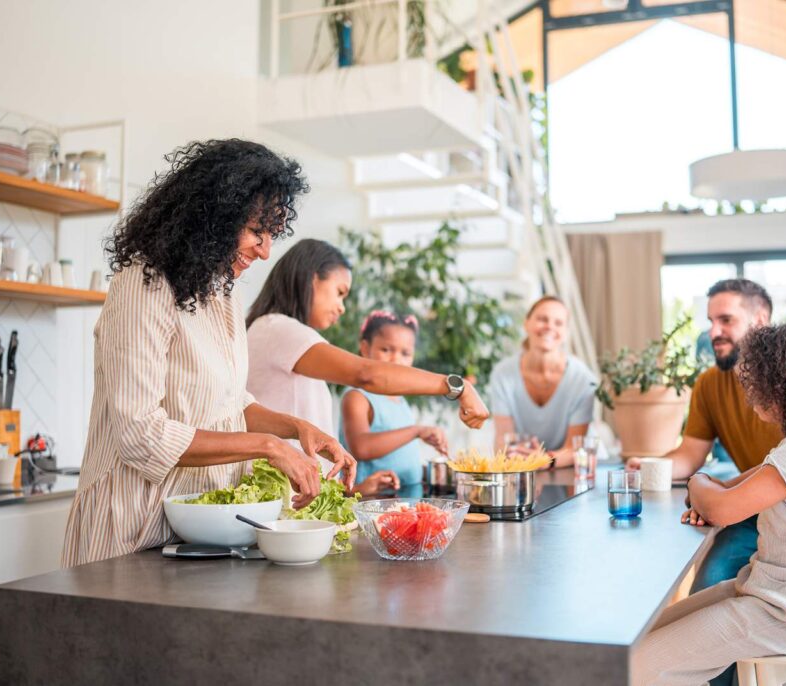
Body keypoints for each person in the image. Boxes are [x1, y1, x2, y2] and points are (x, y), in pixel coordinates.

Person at [62, 140, 355, 567]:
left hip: (198, 534)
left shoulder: (220, 296)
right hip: (128, 533)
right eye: (258, 231)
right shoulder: (143, 284)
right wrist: (269, 446)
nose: (266, 250)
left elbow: (230, 406)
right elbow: (141, 436)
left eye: (272, 234)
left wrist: (298, 429)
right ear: (214, 217)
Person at [633, 321, 786, 686]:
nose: (749, 392)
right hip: (778, 597)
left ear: (782, 387)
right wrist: (709, 489)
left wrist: (698, 480)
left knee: (636, 666)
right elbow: (726, 490)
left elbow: (718, 507)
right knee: (644, 635)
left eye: (756, 380)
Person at [245, 239, 489, 494]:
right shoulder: (278, 329)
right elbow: (366, 374)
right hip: (279, 499)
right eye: (340, 292)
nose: (342, 307)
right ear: (312, 279)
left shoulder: (284, 334)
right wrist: (457, 387)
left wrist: (352, 490)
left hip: (296, 500)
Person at [627, 279, 785, 599]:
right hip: (753, 507)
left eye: (726, 320)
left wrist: (709, 491)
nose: (714, 332)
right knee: (707, 582)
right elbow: (690, 453)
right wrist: (649, 467)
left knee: (715, 580)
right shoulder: (710, 383)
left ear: (760, 321)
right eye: (711, 322)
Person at [339, 311, 449, 491]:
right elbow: (361, 447)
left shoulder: (399, 399)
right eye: (386, 350)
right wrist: (416, 431)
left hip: (405, 496)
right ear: (365, 349)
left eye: (405, 353)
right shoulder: (357, 396)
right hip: (372, 501)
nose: (396, 359)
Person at [489, 296, 597, 469]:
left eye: (558, 323)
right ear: (526, 324)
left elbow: (575, 448)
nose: (549, 327)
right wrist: (515, 458)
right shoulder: (502, 374)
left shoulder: (583, 379)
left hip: (574, 469)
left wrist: (543, 459)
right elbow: (503, 439)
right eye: (542, 319)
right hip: (526, 467)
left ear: (566, 332)